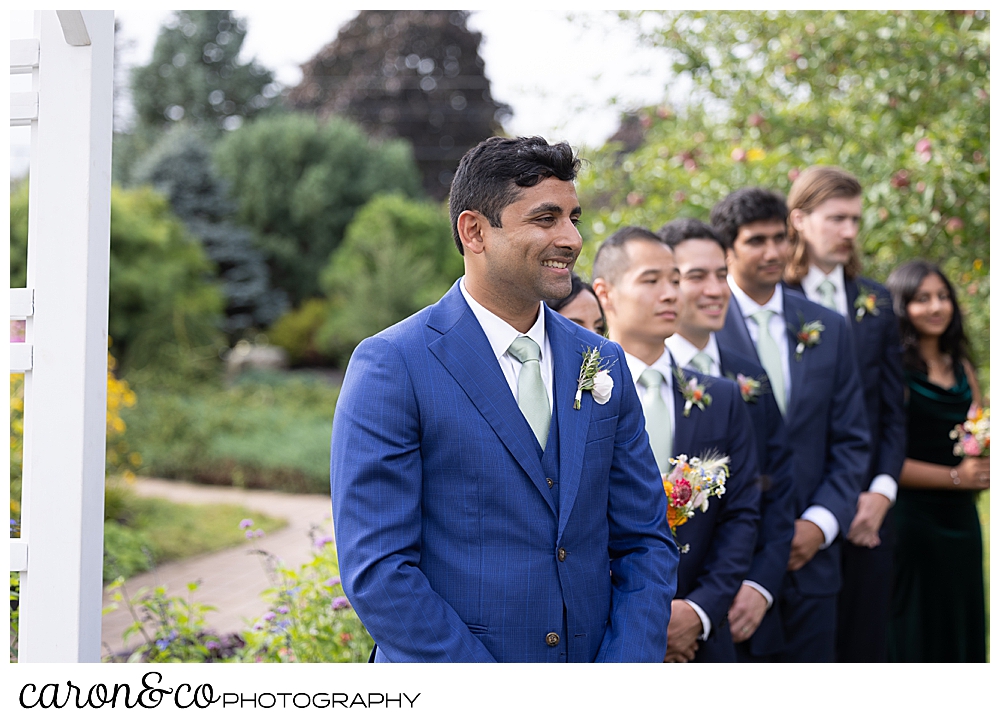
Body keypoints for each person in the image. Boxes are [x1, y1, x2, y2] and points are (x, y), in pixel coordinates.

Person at [330, 136, 679, 663]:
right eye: (545, 219)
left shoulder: (603, 362)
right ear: (474, 231)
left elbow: (644, 542)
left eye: (573, 218)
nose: (571, 239)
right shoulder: (393, 365)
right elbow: (378, 570)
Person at [712, 188, 870, 663]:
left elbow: (851, 440)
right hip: (727, 563)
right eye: (757, 241)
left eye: (780, 238)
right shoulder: (702, 328)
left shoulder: (828, 327)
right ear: (728, 250)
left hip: (811, 560)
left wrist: (819, 526)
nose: (775, 252)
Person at [592, 226, 760, 663]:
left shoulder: (720, 397)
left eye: (674, 279)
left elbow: (741, 513)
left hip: (702, 631)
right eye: (651, 281)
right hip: (603, 630)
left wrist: (699, 611)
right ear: (605, 293)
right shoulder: (576, 394)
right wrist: (638, 615)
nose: (671, 293)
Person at [783, 166, 907, 663]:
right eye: (837, 218)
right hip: (796, 511)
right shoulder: (773, 302)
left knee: (864, 650)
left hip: (866, 515)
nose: (850, 232)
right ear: (799, 220)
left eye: (855, 220)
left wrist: (881, 492)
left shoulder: (876, 302)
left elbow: (891, 413)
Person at [658, 218, 797, 660]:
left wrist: (758, 586)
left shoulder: (748, 377)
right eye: (695, 277)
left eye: (721, 274)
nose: (716, 290)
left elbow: (776, 487)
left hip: (739, 609)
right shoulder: (623, 378)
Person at [885, 260, 988, 662]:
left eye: (943, 297)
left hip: (962, 520)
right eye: (922, 299)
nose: (936, 307)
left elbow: (978, 429)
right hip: (913, 522)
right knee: (915, 624)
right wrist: (957, 477)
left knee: (961, 619)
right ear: (901, 306)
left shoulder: (962, 367)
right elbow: (888, 460)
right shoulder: (896, 373)